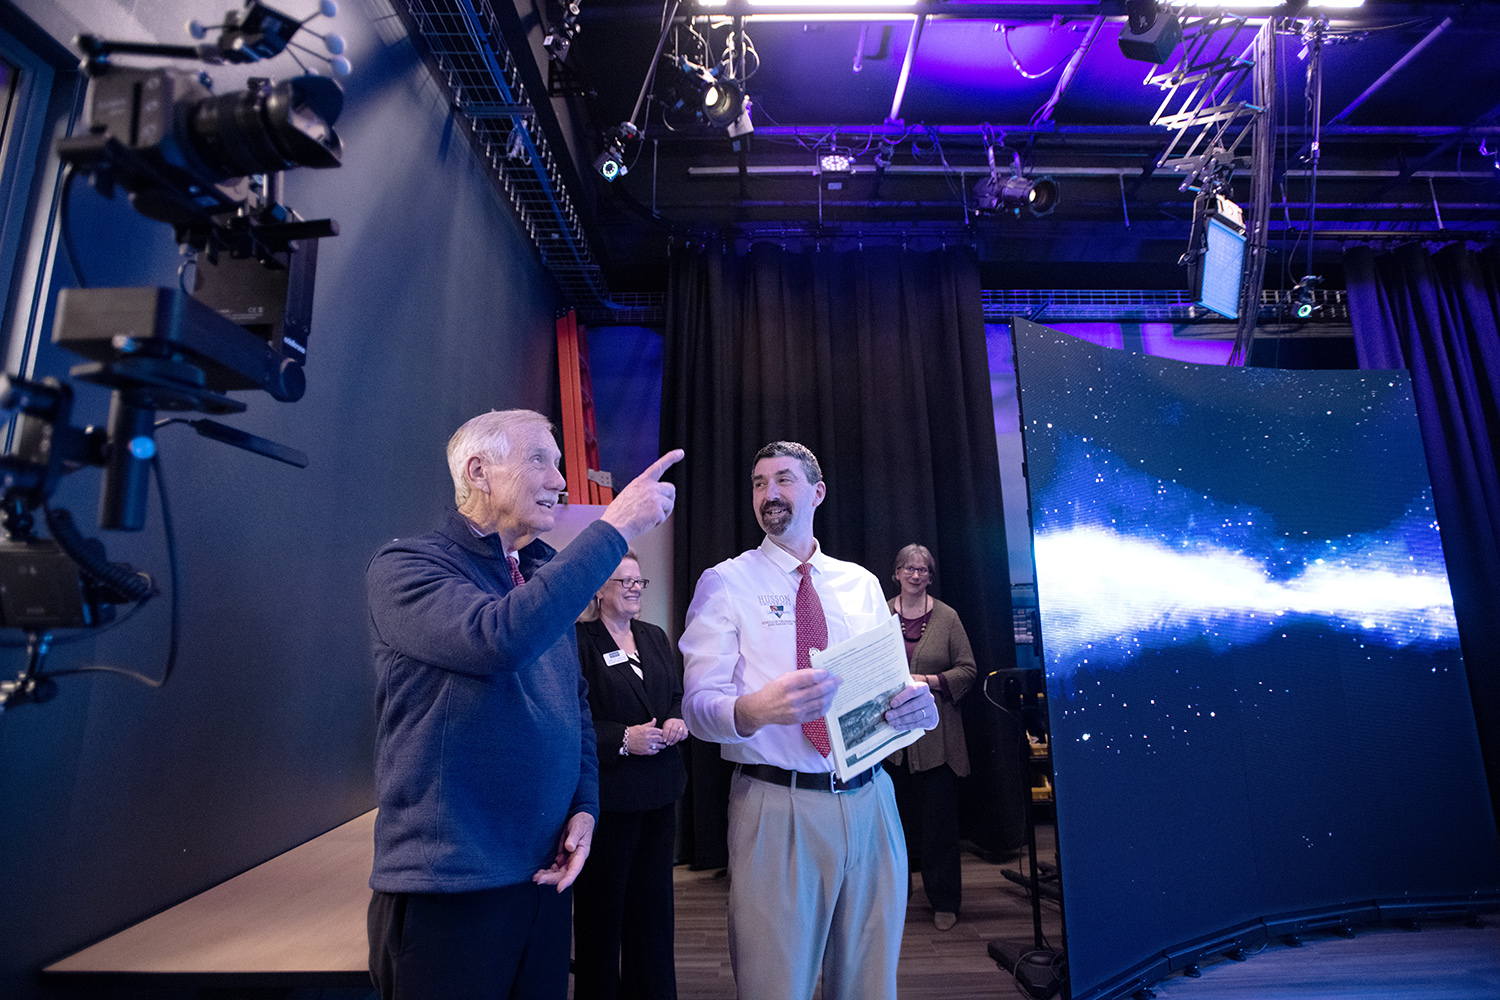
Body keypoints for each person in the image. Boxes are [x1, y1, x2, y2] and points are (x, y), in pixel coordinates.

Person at [365, 408, 681, 1000]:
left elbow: (576, 708)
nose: (560, 481)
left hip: (543, 880)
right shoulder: (408, 568)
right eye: (541, 459)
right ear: (479, 471)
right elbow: (499, 638)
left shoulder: (538, 571)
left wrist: (585, 808)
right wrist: (614, 529)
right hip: (453, 888)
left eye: (559, 463)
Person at [678, 440, 939, 1000]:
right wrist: (752, 710)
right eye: (758, 483)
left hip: (872, 803)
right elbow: (697, 709)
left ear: (817, 492)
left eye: (784, 479)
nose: (769, 493)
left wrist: (917, 710)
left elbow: (888, 693)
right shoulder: (724, 583)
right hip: (778, 808)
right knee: (776, 987)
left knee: (870, 987)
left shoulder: (863, 585)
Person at [572, 553, 688, 999]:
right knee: (603, 917)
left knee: (653, 913)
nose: (636, 588)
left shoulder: (654, 637)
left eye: (640, 580)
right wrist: (623, 738)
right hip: (609, 802)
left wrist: (677, 720)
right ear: (600, 589)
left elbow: (676, 695)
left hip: (660, 795)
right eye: (625, 581)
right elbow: (572, 720)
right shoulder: (580, 642)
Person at [883, 543, 977, 932]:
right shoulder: (880, 613)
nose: (916, 574)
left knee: (939, 828)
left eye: (923, 569)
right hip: (890, 743)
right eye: (908, 568)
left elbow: (969, 670)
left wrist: (931, 681)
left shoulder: (949, 618)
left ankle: (944, 901)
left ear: (930, 576)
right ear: (897, 573)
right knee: (892, 829)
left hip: (938, 742)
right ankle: (893, 898)